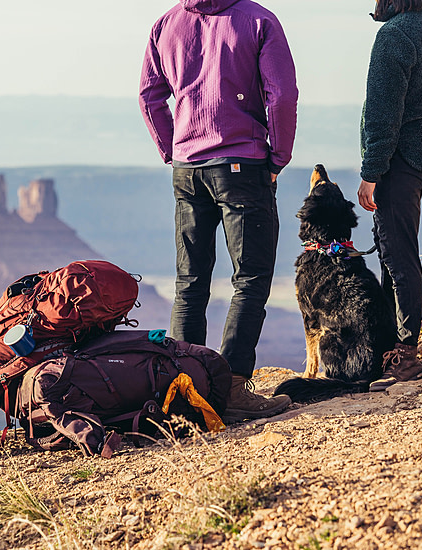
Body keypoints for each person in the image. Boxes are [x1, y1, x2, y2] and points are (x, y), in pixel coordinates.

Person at [138, 0, 298, 421]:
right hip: (242, 165)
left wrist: (171, 149)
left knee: (190, 281)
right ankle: (233, 388)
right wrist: (277, 158)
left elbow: (150, 96)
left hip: (187, 167)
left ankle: (183, 389)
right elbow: (281, 95)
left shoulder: (166, 24)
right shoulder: (259, 20)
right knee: (250, 277)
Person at [357, 0, 422, 391]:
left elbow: (383, 113)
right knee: (393, 249)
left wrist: (371, 172)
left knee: (398, 255)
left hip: (400, 158)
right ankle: (392, 345)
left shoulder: (393, 36)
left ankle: (406, 356)